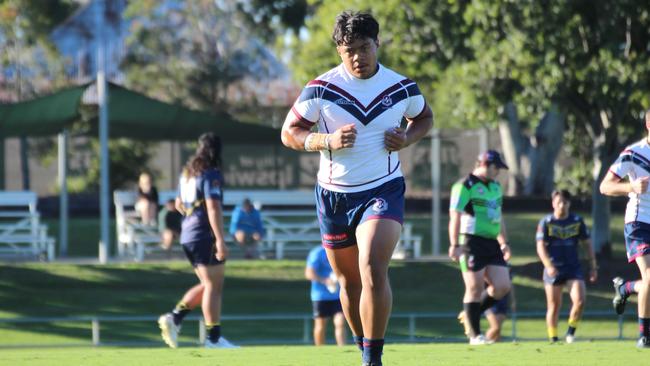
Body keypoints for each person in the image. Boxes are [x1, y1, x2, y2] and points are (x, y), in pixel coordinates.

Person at [280, 10, 433, 366]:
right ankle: (363, 346)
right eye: (349, 50)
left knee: (371, 266)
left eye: (364, 47)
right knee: (348, 282)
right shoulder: (321, 89)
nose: (357, 57)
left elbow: (424, 117)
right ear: (338, 50)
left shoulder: (401, 86)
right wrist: (325, 139)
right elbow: (289, 133)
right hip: (333, 195)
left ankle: (373, 359)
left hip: (383, 189)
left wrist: (407, 137)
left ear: (377, 44)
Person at [157, 133, 237, 349]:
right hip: (204, 234)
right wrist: (220, 239)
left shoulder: (187, 174)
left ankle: (175, 318)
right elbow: (213, 207)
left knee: (209, 284)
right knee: (214, 286)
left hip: (188, 235)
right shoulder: (211, 174)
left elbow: (179, 204)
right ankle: (213, 339)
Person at [449, 150, 512, 345]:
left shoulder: (495, 186)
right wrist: (455, 244)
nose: (498, 172)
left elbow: (498, 216)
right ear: (486, 164)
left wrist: (504, 242)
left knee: (502, 286)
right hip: (471, 242)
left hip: (492, 243)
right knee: (474, 288)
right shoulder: (464, 185)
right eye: (497, 168)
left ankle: (470, 313)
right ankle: (475, 336)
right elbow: (455, 216)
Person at [599, 108, 650, 348]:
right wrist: (631, 187)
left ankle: (626, 287)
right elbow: (605, 187)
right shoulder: (634, 153)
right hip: (639, 223)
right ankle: (644, 336)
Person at [536, 190, 597, 343]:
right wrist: (548, 266)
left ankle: (570, 333)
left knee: (580, 301)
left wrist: (593, 266)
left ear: (569, 203)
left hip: (573, 268)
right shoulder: (546, 222)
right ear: (553, 203)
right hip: (554, 268)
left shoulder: (577, 221)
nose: (562, 205)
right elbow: (540, 246)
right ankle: (553, 338)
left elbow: (588, 244)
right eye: (558, 202)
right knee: (554, 305)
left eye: (565, 202)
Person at [305, 245, 347, 346]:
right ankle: (320, 349)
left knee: (340, 322)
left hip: (338, 295)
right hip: (321, 296)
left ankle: (342, 349)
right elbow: (309, 273)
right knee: (320, 325)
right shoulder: (317, 253)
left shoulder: (340, 251)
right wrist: (325, 281)